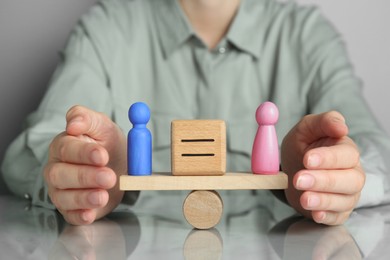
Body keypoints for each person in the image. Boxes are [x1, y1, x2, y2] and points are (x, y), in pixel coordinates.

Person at [2, 0, 390, 226]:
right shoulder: (108, 26)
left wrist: (319, 174)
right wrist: (91, 173)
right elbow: (30, 151)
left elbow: (375, 151)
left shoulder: (306, 33)